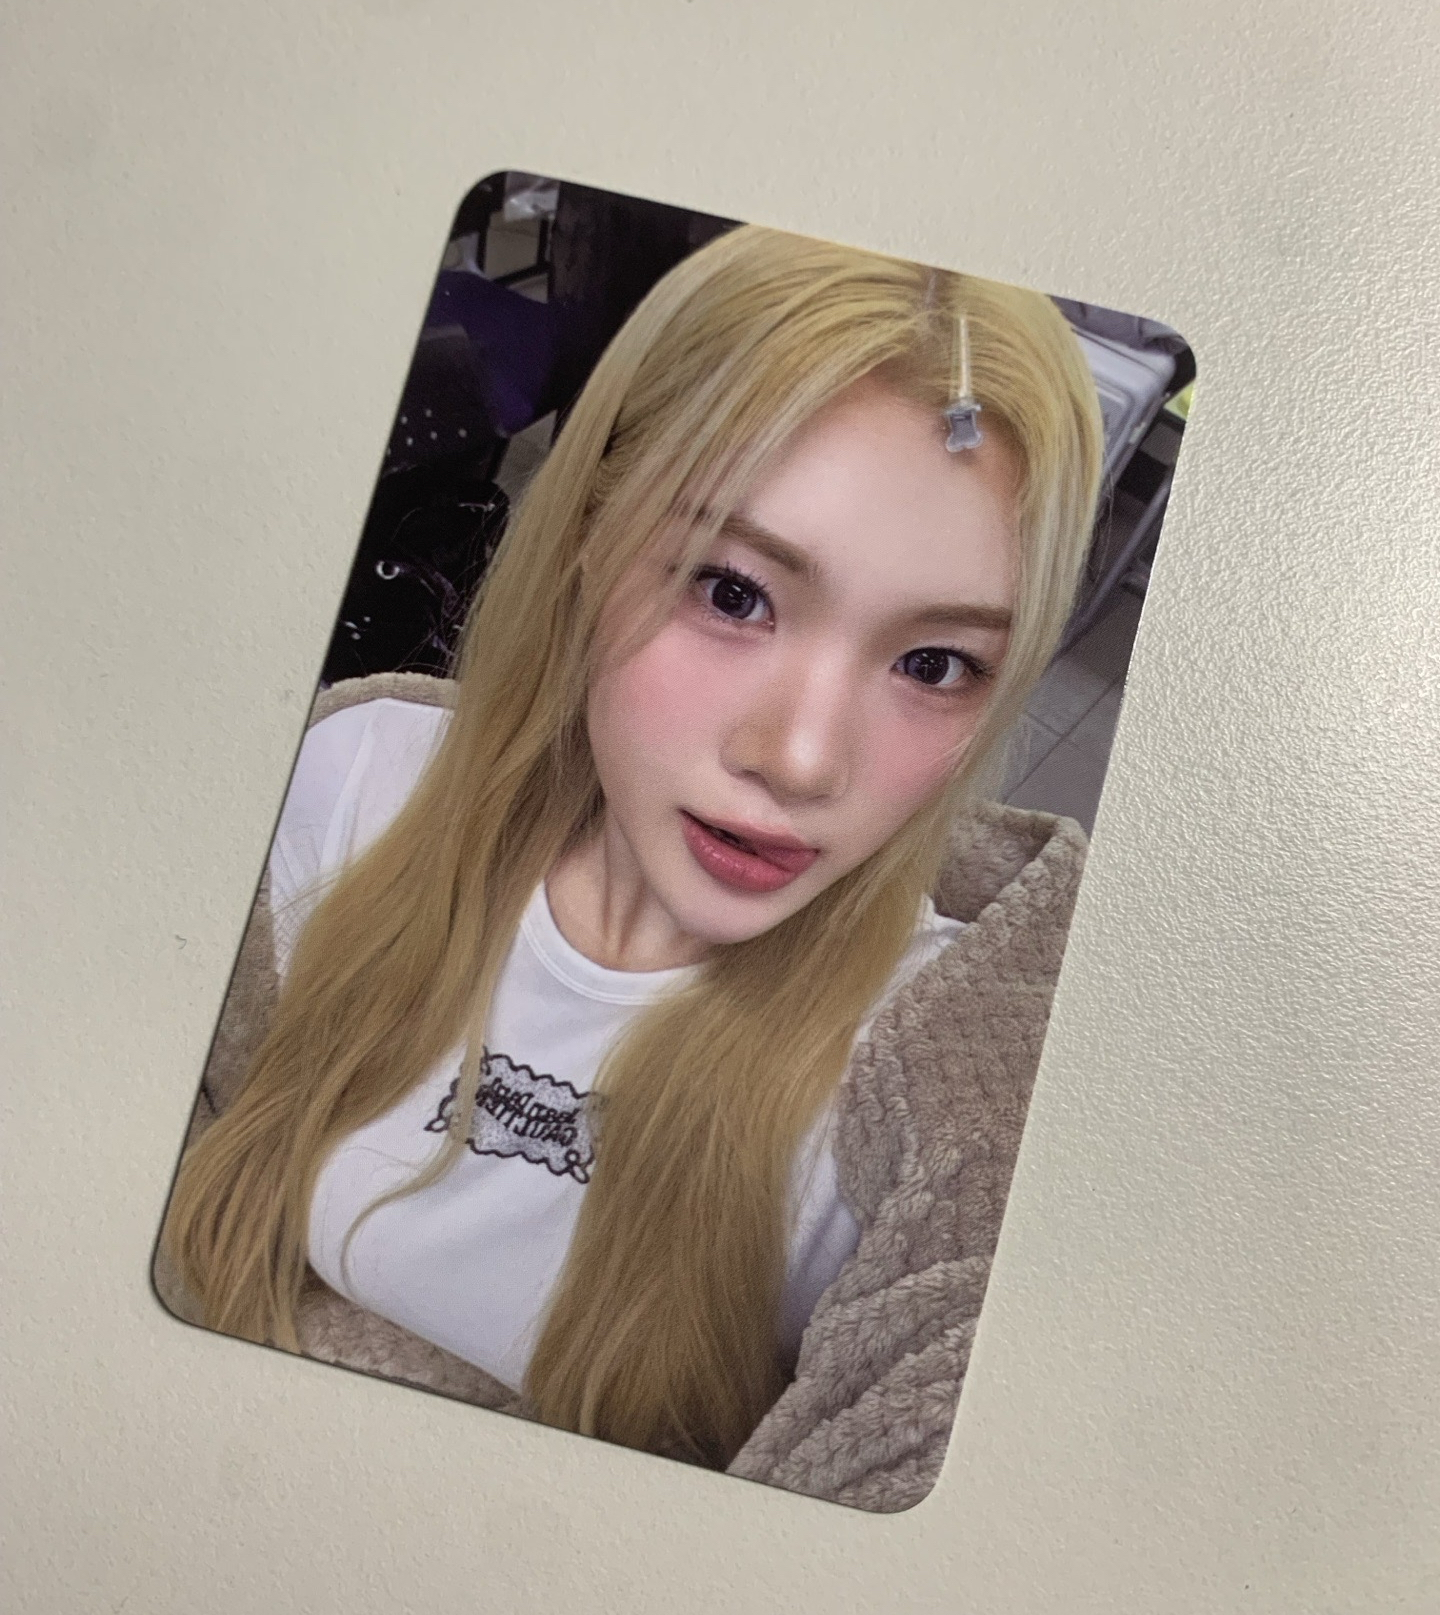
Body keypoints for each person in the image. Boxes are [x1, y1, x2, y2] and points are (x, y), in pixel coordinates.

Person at [158, 223, 1105, 1504]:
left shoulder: (930, 1100)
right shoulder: (350, 782)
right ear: (591, 537)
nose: (802, 758)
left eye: (934, 664)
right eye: (733, 592)